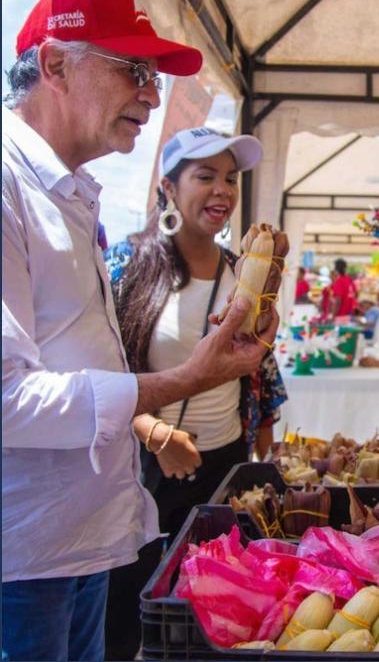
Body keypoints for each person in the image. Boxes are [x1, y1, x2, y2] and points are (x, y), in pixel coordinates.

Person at [2, 0, 279, 662]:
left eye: (153, 77)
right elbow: (9, 398)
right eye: (134, 71)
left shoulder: (70, 194)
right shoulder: (12, 185)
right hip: (26, 563)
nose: (152, 95)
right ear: (56, 65)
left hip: (87, 540)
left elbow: (85, 356)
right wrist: (180, 385)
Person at [101, 127, 287, 660]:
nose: (223, 190)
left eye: (230, 178)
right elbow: (99, 372)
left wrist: (261, 455)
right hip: (146, 466)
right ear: (168, 187)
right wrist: (156, 434)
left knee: (215, 609)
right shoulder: (124, 264)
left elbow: (261, 375)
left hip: (225, 463)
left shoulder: (245, 270)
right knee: (133, 608)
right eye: (204, 176)